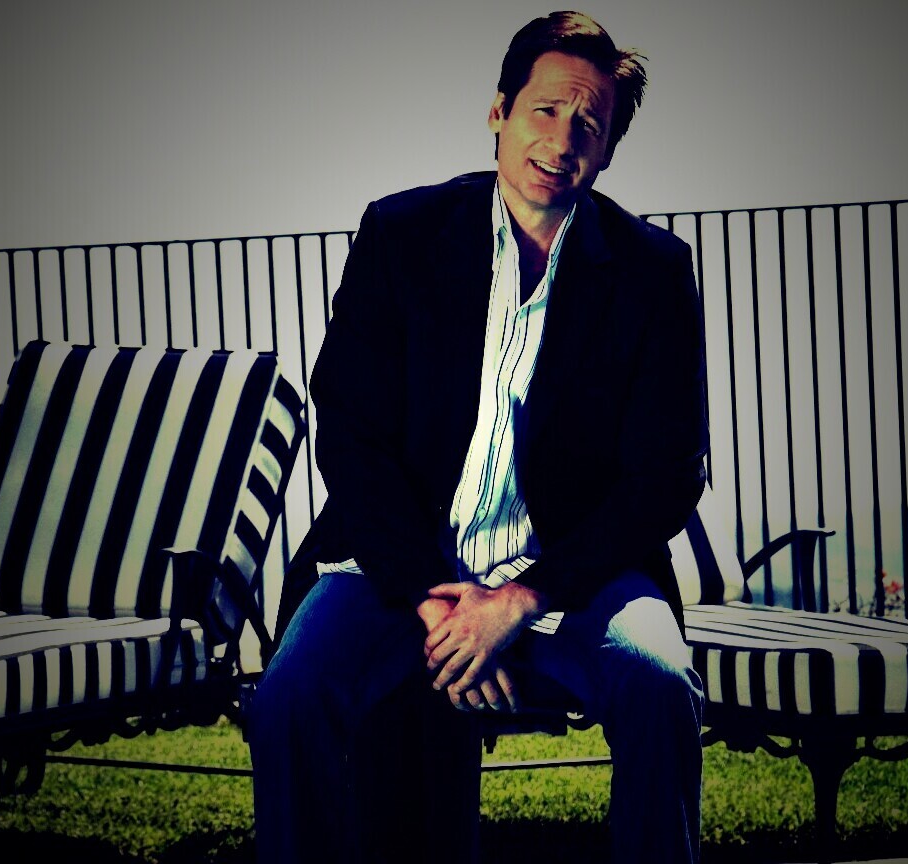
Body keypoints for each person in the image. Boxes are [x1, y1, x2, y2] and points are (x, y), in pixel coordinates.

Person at [248, 11, 708, 863]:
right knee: (288, 699)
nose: (561, 140)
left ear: (608, 151)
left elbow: (666, 476)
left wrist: (517, 601)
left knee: (658, 682)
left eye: (589, 125)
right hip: (395, 571)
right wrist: (438, 605)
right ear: (498, 110)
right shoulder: (402, 235)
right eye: (545, 110)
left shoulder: (652, 271)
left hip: (573, 579)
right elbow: (350, 432)